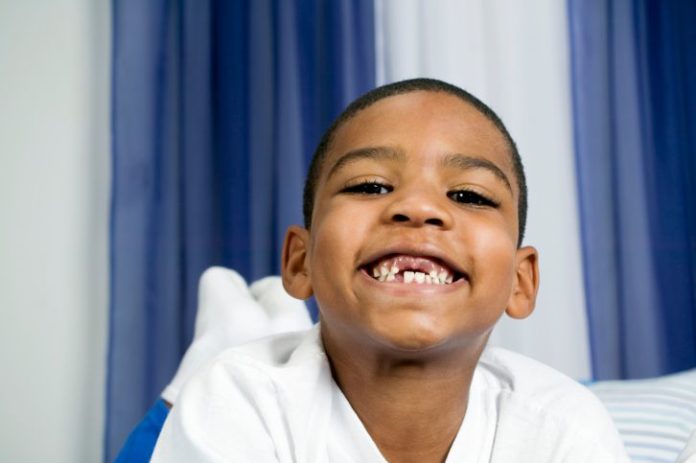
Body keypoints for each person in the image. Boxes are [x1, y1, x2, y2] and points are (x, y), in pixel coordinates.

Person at [149, 78, 630, 462]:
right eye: (370, 185)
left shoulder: (562, 424)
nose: (418, 208)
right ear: (300, 261)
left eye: (469, 196)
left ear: (521, 282)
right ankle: (235, 336)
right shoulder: (233, 400)